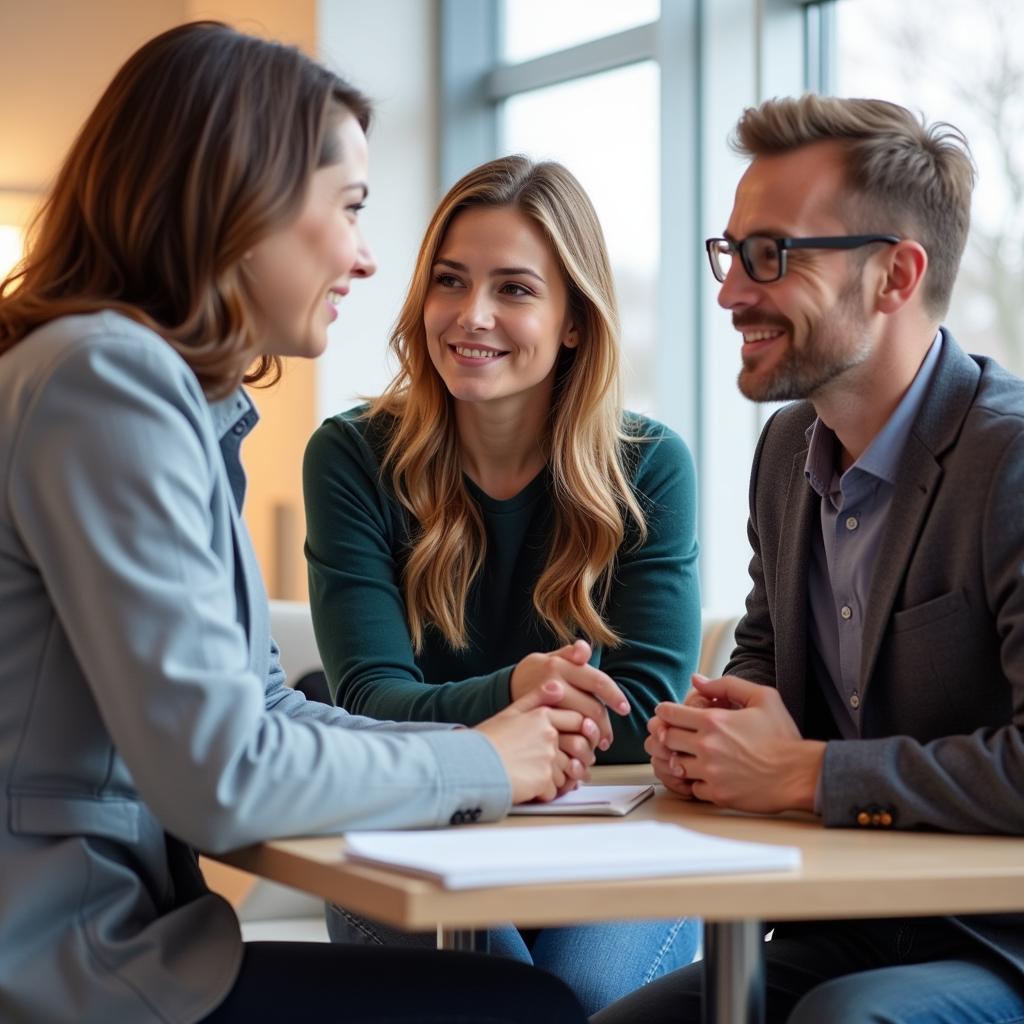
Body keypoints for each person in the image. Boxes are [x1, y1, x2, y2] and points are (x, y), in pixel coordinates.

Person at [0, 22, 592, 1024]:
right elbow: (225, 771)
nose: (366, 259)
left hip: (86, 945)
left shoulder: (147, 391)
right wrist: (486, 760)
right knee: (527, 1011)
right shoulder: (108, 378)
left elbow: (261, 708)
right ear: (242, 201)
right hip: (65, 967)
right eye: (350, 208)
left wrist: (489, 749)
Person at [593, 95, 1024, 1024]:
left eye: (771, 255)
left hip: (1000, 939)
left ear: (894, 276)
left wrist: (806, 775)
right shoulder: (788, 448)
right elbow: (768, 655)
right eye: (731, 251)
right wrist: (707, 733)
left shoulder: (1012, 461)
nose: (730, 291)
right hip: (844, 926)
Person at [302, 154, 702, 1013]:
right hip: (410, 819)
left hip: (609, 839)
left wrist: (477, 715)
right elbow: (368, 703)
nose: (471, 315)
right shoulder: (351, 457)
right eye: (451, 281)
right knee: (506, 997)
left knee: (582, 991)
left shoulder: (650, 468)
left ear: (572, 321)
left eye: (515, 289)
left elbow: (645, 714)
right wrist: (520, 689)